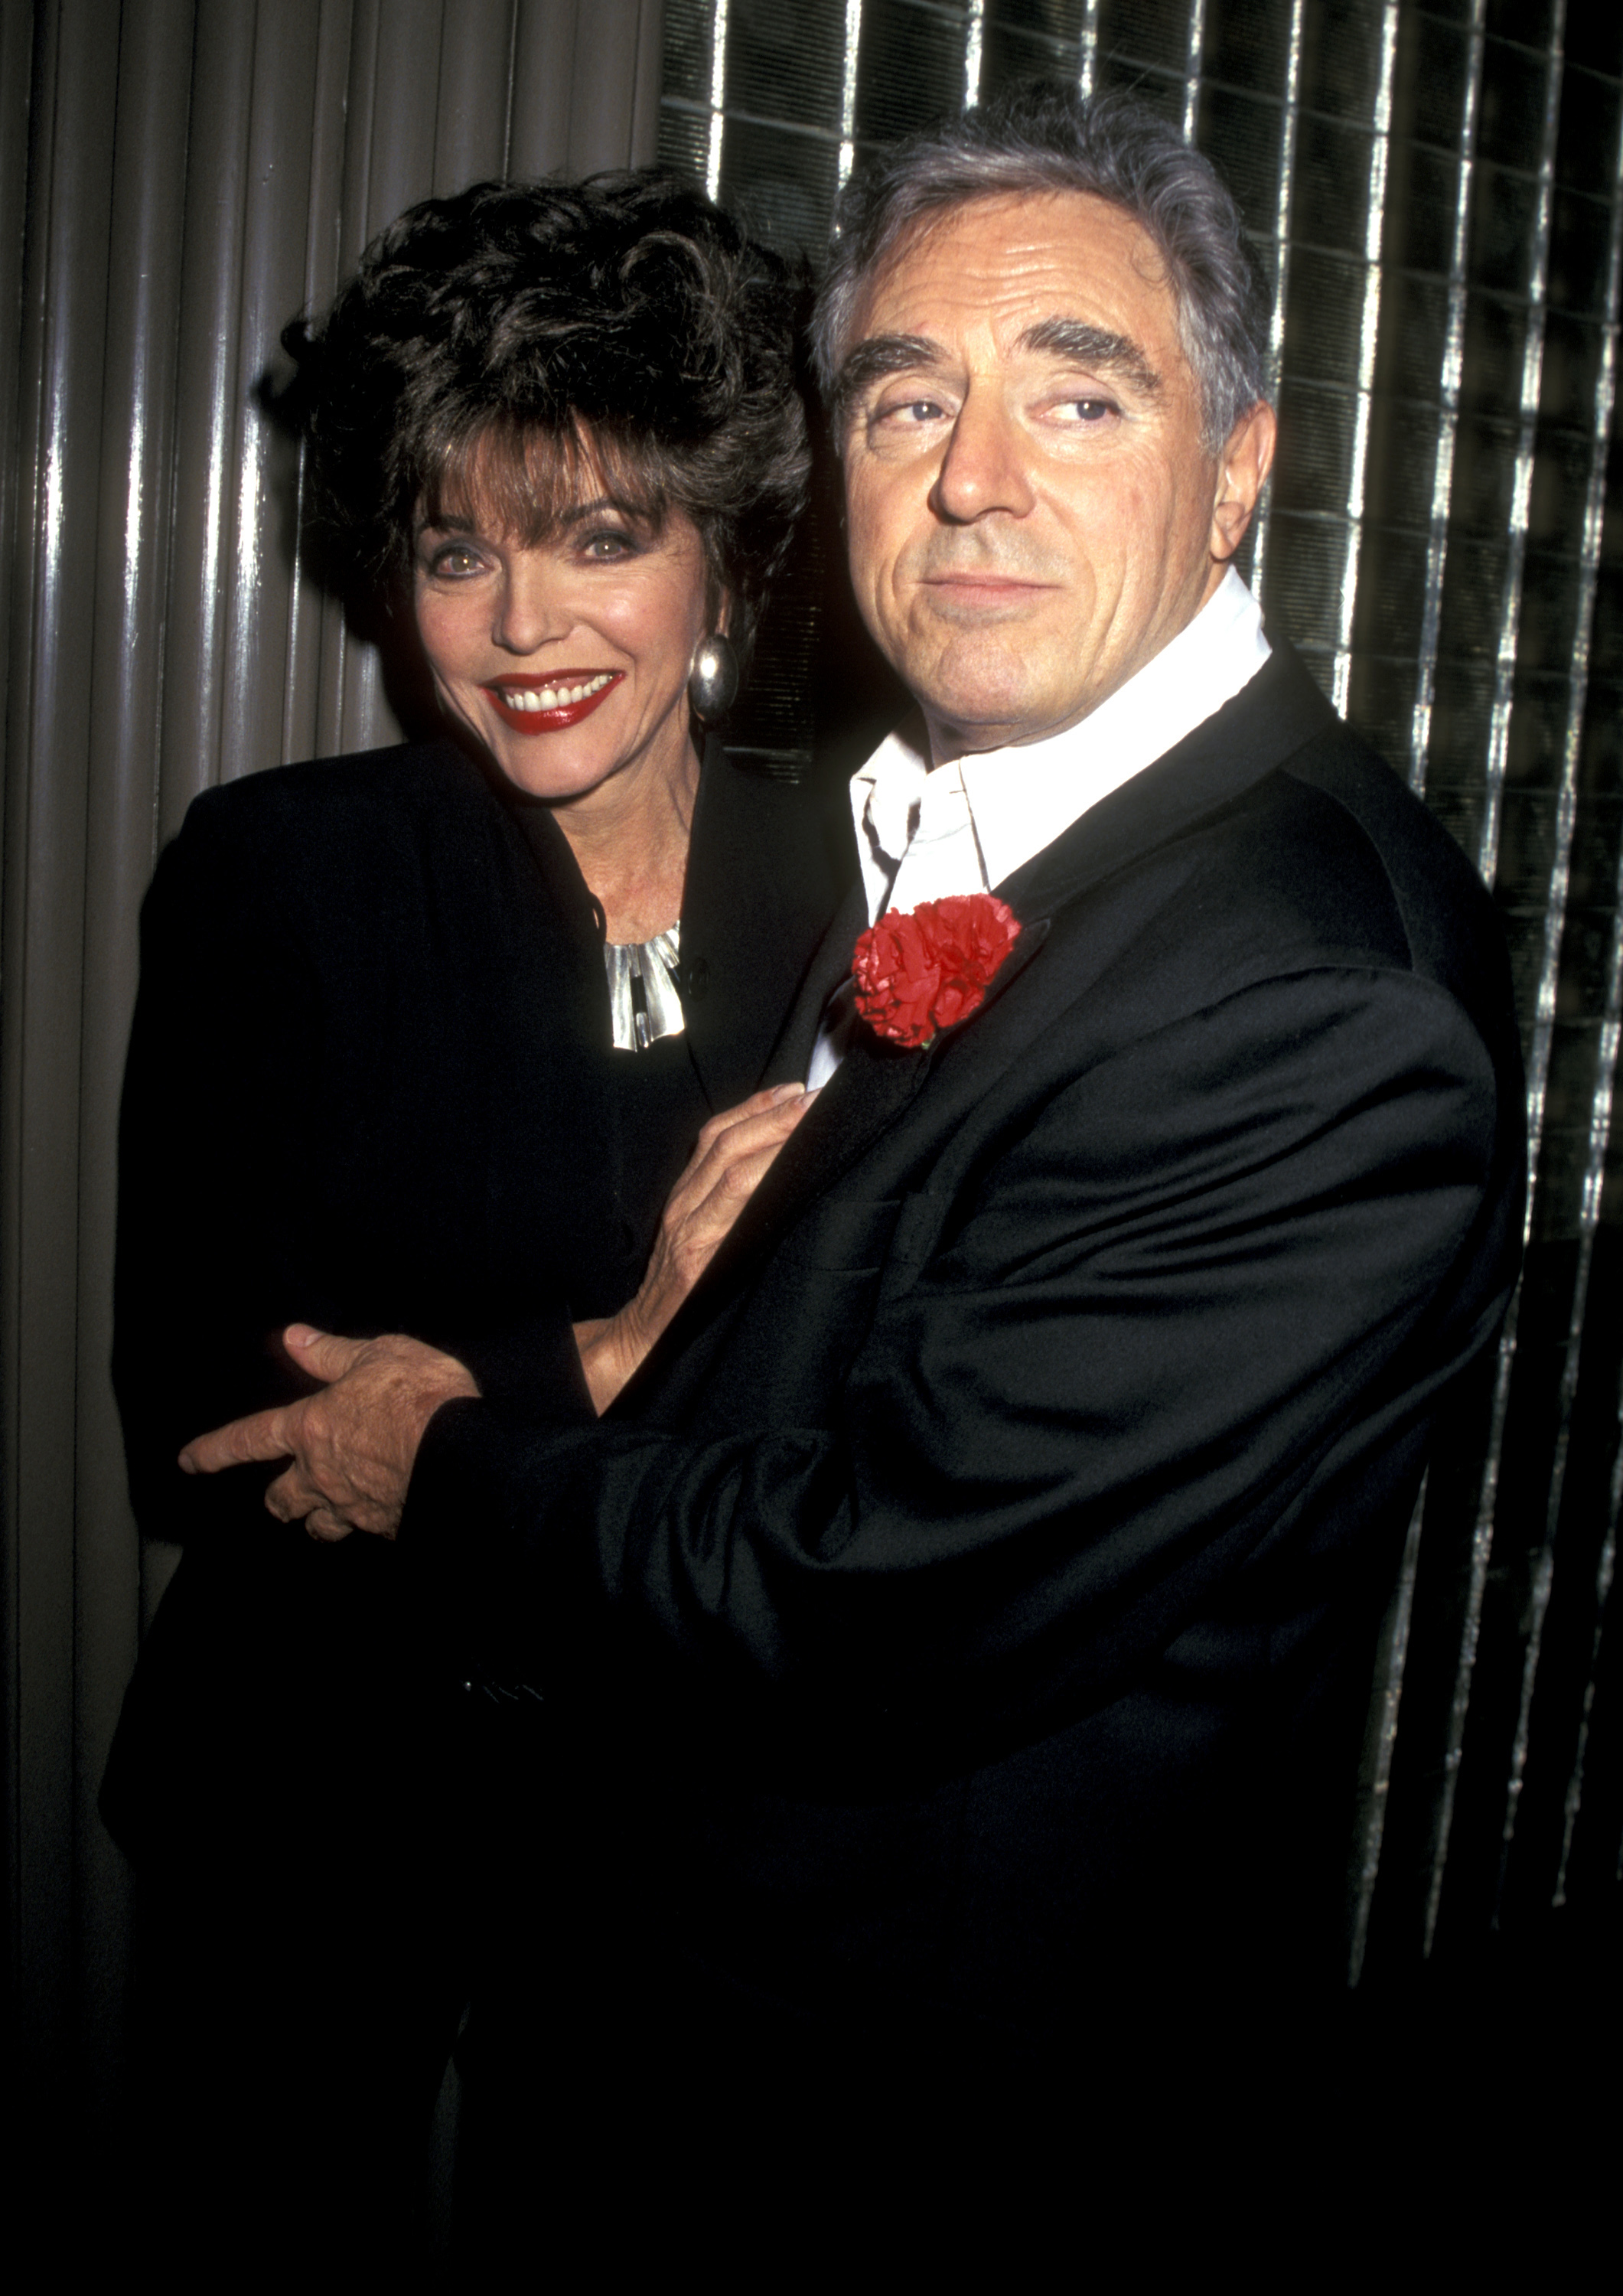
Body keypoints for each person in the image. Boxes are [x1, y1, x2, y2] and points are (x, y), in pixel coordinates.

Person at [185, 83, 1525, 2108]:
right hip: (443, 1862)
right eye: (906, 401)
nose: (972, 477)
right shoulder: (981, 830)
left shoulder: (1303, 984)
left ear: (1238, 469)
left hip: (879, 2059)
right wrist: (625, 1344)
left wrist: (460, 1447)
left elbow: (882, 1589)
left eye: (1077, 397)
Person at [103, 171, 847, 2262]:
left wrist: (430, 1417)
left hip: (680, 1813)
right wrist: (605, 1360)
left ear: (723, 558)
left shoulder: (867, 884)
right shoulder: (279, 875)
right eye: (461, 552)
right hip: (311, 1792)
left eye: (603, 537)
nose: (525, 629)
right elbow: (197, 1402)